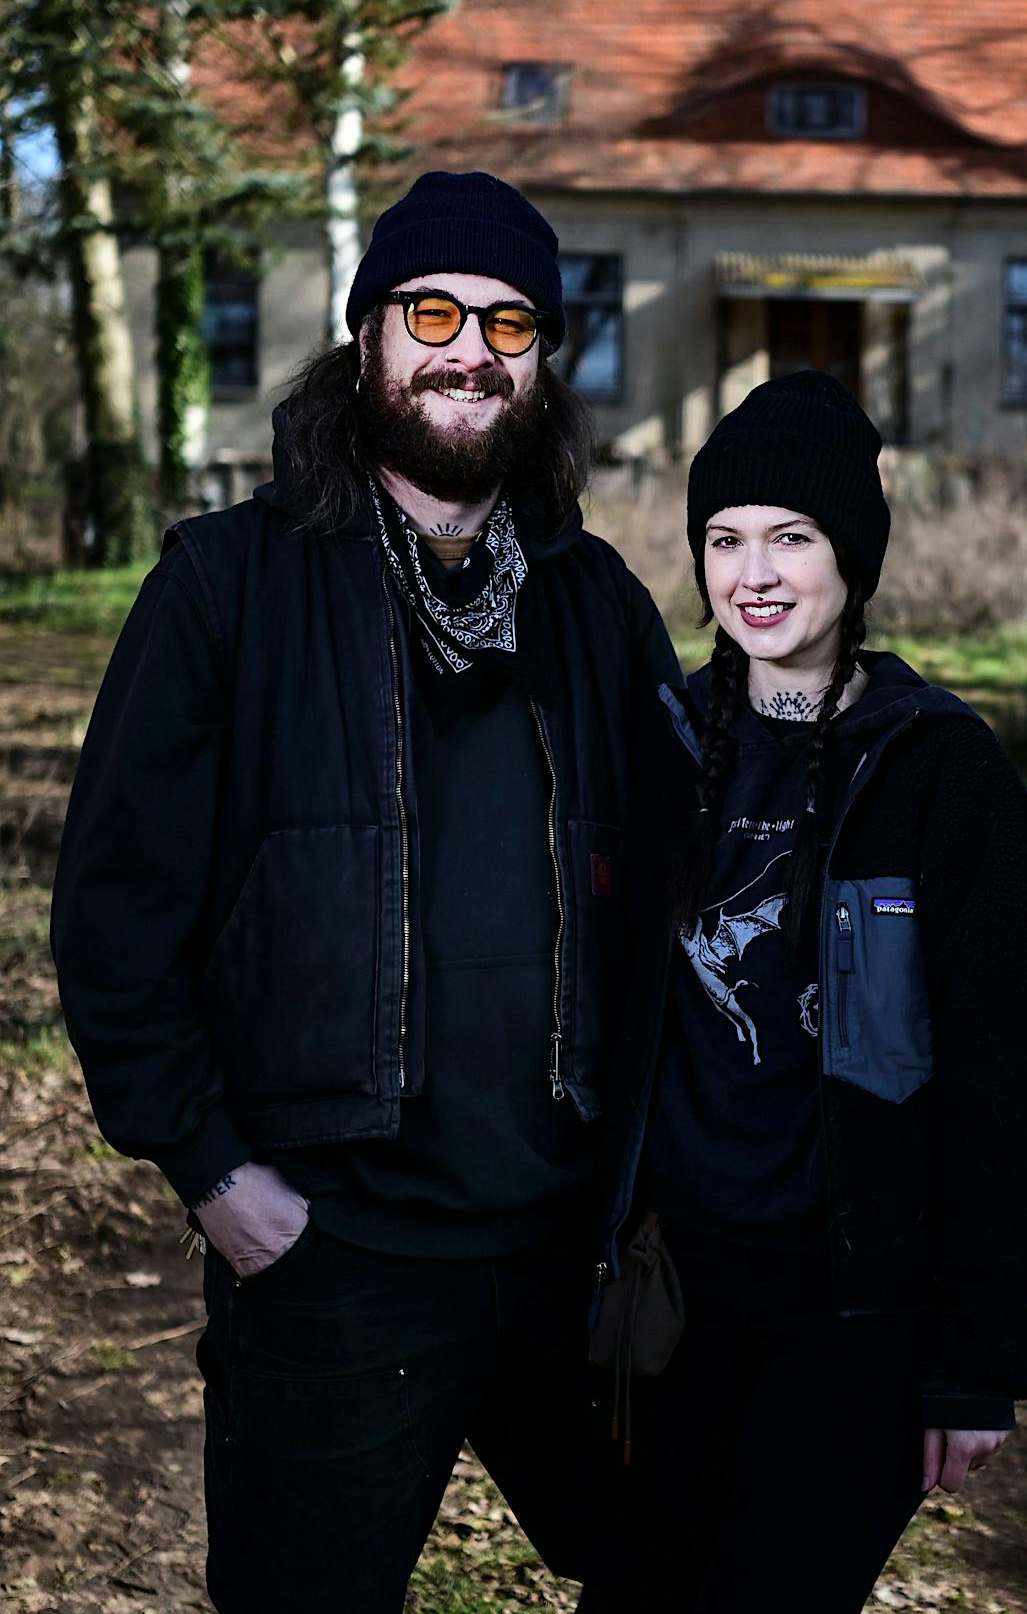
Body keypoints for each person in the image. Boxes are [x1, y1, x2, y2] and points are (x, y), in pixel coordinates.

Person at [51, 170, 685, 1613]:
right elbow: (114, 912)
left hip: (568, 1249)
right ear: (366, 337)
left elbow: (687, 900)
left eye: (510, 323)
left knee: (682, 1565)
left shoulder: (597, 603)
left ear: (544, 359)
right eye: (434, 313)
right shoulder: (227, 587)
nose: (472, 351)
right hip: (335, 1257)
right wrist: (214, 1173)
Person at [593, 370, 1027, 1612]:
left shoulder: (939, 774)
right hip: (671, 1297)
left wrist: (980, 1360)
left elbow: (1012, 1086)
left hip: (853, 1316)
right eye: (723, 538)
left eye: (791, 537)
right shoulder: (654, 748)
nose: (753, 573)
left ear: (851, 559)